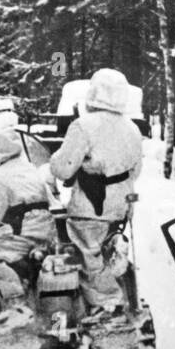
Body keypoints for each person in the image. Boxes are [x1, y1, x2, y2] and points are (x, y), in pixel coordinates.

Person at [48, 68, 143, 319]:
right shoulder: (132, 128)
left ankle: (106, 305)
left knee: (87, 254)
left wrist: (55, 161)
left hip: (91, 205)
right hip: (120, 204)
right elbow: (136, 170)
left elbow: (63, 168)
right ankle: (116, 284)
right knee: (105, 251)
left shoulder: (83, 125)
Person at [0, 121, 57, 312]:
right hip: (46, 235)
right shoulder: (28, 169)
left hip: (19, 237)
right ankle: (55, 321)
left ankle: (14, 304)